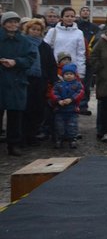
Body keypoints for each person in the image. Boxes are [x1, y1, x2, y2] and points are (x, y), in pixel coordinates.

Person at [1, 11, 35, 156]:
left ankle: (13, 144)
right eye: (9, 22)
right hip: (1, 80)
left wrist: (16, 62)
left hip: (17, 81)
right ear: (4, 24)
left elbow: (31, 58)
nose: (13, 25)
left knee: (15, 115)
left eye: (15, 22)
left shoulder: (24, 41)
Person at [43, 7, 88, 114]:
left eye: (72, 16)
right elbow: (45, 49)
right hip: (55, 68)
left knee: (70, 96)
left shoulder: (79, 33)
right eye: (67, 16)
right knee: (55, 95)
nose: (69, 18)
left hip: (71, 70)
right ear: (62, 17)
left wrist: (81, 71)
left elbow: (81, 53)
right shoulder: (53, 31)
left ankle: (68, 120)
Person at [21, 18, 58, 146]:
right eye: (33, 29)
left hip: (40, 81)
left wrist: (53, 80)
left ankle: (32, 135)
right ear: (27, 30)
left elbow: (51, 64)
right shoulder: (22, 43)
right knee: (24, 110)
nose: (35, 32)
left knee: (37, 110)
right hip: (24, 80)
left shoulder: (45, 46)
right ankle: (22, 137)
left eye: (38, 30)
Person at [50, 62, 84, 149]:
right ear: (63, 75)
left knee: (72, 126)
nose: (69, 76)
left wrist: (71, 99)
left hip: (72, 110)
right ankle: (59, 139)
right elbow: (53, 93)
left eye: (71, 74)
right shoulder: (58, 84)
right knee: (59, 126)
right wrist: (58, 100)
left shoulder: (77, 84)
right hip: (60, 110)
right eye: (66, 74)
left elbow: (80, 93)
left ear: (75, 75)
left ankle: (72, 139)